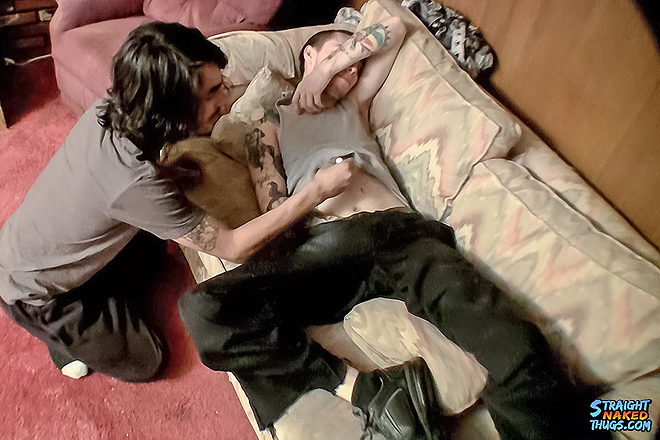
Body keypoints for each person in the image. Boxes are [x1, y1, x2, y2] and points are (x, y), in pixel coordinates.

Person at [178, 18, 605, 440]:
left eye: (354, 67)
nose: (350, 72)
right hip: (327, 250)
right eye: (335, 56)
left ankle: (590, 423)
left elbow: (397, 26)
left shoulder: (353, 102)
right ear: (308, 54)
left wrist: (331, 68)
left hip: (402, 238)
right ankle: (366, 391)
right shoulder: (271, 121)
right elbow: (273, 209)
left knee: (513, 343)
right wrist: (317, 190)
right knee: (204, 311)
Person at [0, 22, 352, 383]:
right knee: (147, 361)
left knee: (156, 250)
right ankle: (60, 336)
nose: (225, 99)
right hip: (32, 292)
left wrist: (167, 170)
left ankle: (97, 283)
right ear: (171, 108)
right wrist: (317, 191)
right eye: (212, 93)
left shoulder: (119, 105)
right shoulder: (133, 182)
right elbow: (233, 246)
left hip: (43, 238)